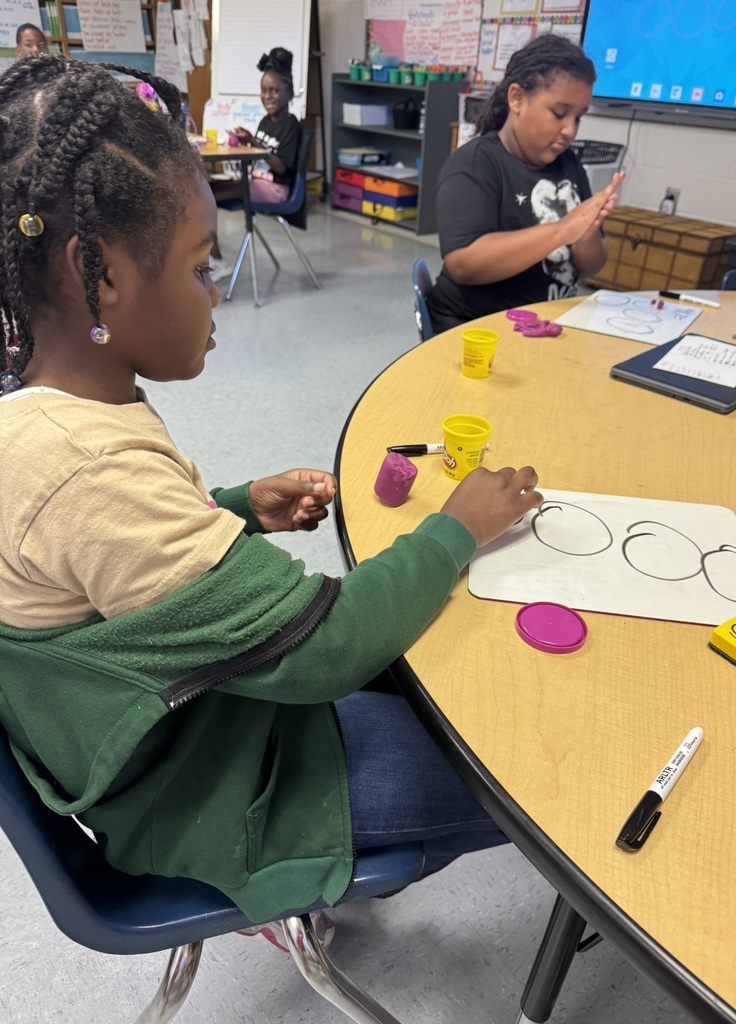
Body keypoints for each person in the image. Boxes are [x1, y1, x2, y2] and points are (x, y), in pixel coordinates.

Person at [0, 55, 544, 931]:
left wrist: (234, 505)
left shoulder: (50, 413)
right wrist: (457, 528)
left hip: (193, 724)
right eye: (199, 267)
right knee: (526, 774)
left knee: (446, 674)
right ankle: (294, 876)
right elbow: (326, 649)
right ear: (94, 273)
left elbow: (113, 571)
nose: (216, 296)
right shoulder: (81, 467)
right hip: (214, 791)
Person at [428, 34, 625, 334]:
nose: (570, 130)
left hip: (546, 325)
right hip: (477, 330)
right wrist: (561, 230)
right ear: (517, 98)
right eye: (559, 113)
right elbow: (464, 264)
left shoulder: (569, 164)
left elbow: (591, 266)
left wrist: (586, 231)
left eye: (578, 117)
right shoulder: (476, 164)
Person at [208, 47, 300, 282]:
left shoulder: (292, 126)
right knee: (204, 190)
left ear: (289, 94)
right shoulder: (265, 122)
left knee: (205, 199)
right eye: (263, 90)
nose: (267, 96)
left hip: (277, 189)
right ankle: (212, 257)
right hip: (257, 182)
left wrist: (256, 144)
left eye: (274, 91)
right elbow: (258, 154)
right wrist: (244, 142)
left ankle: (217, 261)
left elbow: (281, 168)